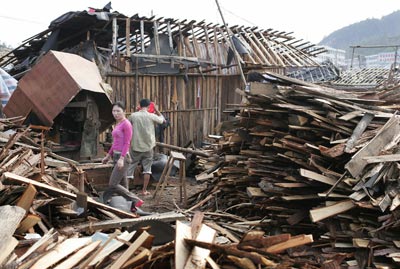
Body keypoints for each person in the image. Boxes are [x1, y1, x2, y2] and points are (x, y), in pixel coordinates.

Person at [102, 101, 143, 212]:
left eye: (118, 111)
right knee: (124, 185)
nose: (115, 113)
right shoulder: (118, 124)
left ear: (124, 111)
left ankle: (136, 200)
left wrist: (121, 159)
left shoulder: (126, 124)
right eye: (114, 111)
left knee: (113, 184)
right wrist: (108, 156)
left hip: (123, 157)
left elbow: (127, 143)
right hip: (116, 156)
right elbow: (115, 143)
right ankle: (131, 207)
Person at [128, 98, 165, 195]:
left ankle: (126, 191)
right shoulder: (151, 116)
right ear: (149, 106)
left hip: (135, 146)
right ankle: (144, 190)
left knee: (130, 168)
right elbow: (162, 120)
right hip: (148, 147)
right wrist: (157, 110)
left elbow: (127, 124)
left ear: (139, 105)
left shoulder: (133, 116)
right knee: (147, 170)